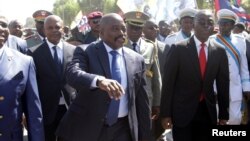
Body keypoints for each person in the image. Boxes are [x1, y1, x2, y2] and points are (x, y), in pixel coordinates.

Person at [56, 13, 152, 141]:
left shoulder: (136, 59)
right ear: (101, 32)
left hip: (123, 129)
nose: (121, 33)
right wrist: (98, 81)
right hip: (90, 128)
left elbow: (142, 101)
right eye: (115, 29)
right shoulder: (85, 51)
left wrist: (145, 135)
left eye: (123, 28)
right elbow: (73, 74)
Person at [160, 10, 230, 141]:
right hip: (182, 113)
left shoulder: (220, 51)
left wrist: (224, 114)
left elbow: (223, 84)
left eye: (210, 22)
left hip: (207, 112)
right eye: (201, 22)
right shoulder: (178, 48)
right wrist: (165, 114)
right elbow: (168, 83)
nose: (206, 25)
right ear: (193, 25)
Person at [28, 15, 76, 141]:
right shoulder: (34, 53)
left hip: (69, 107)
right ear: (44, 30)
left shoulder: (74, 50)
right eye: (50, 27)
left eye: (57, 27)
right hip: (47, 108)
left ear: (63, 29)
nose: (54, 30)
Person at [0, 14, 44, 141]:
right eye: (16, 26)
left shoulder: (24, 43)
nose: (18, 29)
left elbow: (39, 48)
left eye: (3, 25)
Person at [210, 9, 250, 125]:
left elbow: (243, 67)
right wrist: (211, 88)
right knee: (219, 119)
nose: (222, 27)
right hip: (216, 88)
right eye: (221, 23)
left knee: (235, 119)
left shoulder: (240, 41)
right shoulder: (211, 40)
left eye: (226, 24)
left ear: (233, 25)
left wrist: (247, 87)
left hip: (235, 87)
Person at [123, 11, 162, 121]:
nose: (135, 31)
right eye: (132, 27)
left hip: (146, 98)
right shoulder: (119, 45)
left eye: (139, 28)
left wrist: (157, 103)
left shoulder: (150, 46)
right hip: (125, 97)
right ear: (126, 26)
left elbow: (156, 77)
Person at [142, 19, 170, 139]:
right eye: (151, 27)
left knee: (160, 130)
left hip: (163, 95)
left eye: (156, 27)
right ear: (143, 30)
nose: (155, 30)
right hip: (148, 96)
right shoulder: (140, 48)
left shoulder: (165, 47)